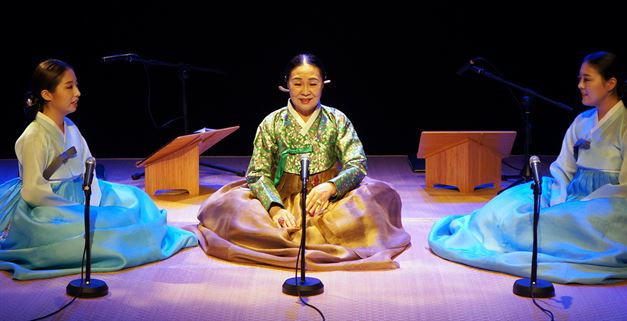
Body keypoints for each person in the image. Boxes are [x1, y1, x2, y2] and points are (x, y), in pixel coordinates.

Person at [428, 51, 627, 284]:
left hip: (607, 203)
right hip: (569, 193)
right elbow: (563, 168)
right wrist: (560, 198)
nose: (580, 85)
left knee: (554, 223)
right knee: (508, 204)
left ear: (610, 83)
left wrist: (585, 203)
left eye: (587, 79)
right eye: (579, 78)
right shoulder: (582, 121)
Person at [194, 53, 411, 270]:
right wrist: (275, 209)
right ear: (286, 84)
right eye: (297, 83)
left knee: (376, 197)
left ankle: (294, 238)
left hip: (330, 199)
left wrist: (332, 186)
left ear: (323, 84)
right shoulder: (272, 122)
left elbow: (357, 163)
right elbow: (258, 173)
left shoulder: (337, 120)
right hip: (282, 195)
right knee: (231, 207)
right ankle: (291, 233)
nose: (305, 91)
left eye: (313, 83)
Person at [0, 59, 198, 280]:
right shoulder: (34, 136)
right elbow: (34, 191)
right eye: (69, 87)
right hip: (48, 203)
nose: (77, 92)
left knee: (136, 199)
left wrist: (93, 200)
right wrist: (76, 208)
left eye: (76, 85)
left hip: (83, 191)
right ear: (47, 94)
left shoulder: (71, 127)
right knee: (104, 225)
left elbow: (89, 166)